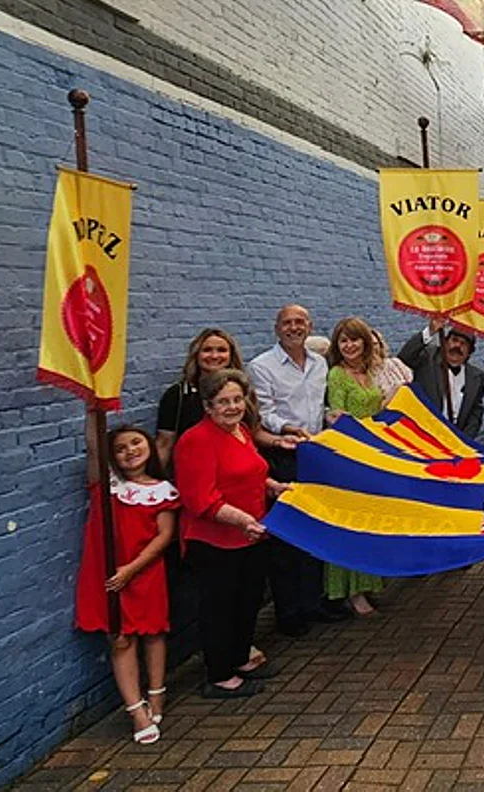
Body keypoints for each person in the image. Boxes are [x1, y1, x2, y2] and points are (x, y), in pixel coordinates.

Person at [174, 370, 289, 698]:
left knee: (246, 602)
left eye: (237, 399)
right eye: (223, 402)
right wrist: (242, 520)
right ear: (207, 406)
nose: (232, 406)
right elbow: (201, 499)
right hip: (215, 541)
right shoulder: (195, 440)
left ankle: (240, 658)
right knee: (219, 608)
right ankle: (219, 674)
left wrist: (274, 487)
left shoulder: (241, 431)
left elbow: (252, 473)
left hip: (251, 536)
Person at [74, 416, 178, 744]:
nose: (129, 451)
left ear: (149, 446)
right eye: (119, 449)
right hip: (108, 576)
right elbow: (93, 449)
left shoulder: (162, 490)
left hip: (143, 573)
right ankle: (136, 709)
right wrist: (94, 411)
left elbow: (164, 536)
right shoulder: (106, 486)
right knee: (121, 639)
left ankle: (157, 694)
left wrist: (132, 568)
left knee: (153, 634)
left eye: (136, 443)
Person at [248, 305, 330, 637]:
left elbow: (319, 407)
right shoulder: (261, 366)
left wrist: (329, 419)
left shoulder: (319, 363)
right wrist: (289, 429)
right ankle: (289, 611)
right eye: (287, 323)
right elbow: (263, 413)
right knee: (286, 537)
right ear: (277, 328)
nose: (294, 328)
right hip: (282, 455)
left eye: (300, 322)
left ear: (309, 327)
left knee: (315, 528)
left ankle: (313, 601)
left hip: (314, 455)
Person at [155, 329, 293, 471]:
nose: (214, 356)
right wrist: (155, 483)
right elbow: (164, 444)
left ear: (231, 355)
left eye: (222, 350)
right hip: (198, 473)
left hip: (239, 473)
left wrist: (278, 441)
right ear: (196, 354)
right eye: (207, 350)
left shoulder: (244, 391)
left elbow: (253, 432)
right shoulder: (177, 395)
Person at [323, 317, 389, 616]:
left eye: (354, 339)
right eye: (343, 341)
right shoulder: (338, 375)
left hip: (372, 455)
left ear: (365, 342)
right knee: (349, 525)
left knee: (368, 522)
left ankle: (366, 585)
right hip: (348, 457)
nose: (349, 346)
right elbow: (337, 416)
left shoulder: (368, 373)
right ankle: (350, 592)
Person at [398, 316, 484, 438]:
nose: (457, 346)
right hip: (423, 435)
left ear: (469, 352)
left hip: (456, 440)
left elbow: (475, 412)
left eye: (463, 344)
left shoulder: (476, 377)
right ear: (445, 343)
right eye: (454, 340)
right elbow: (404, 358)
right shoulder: (428, 358)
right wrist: (430, 331)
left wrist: (465, 439)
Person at [370, 328, 413, 404]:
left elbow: (412, 386)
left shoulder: (396, 363)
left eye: (375, 344)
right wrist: (395, 392)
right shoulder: (359, 375)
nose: (372, 348)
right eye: (368, 345)